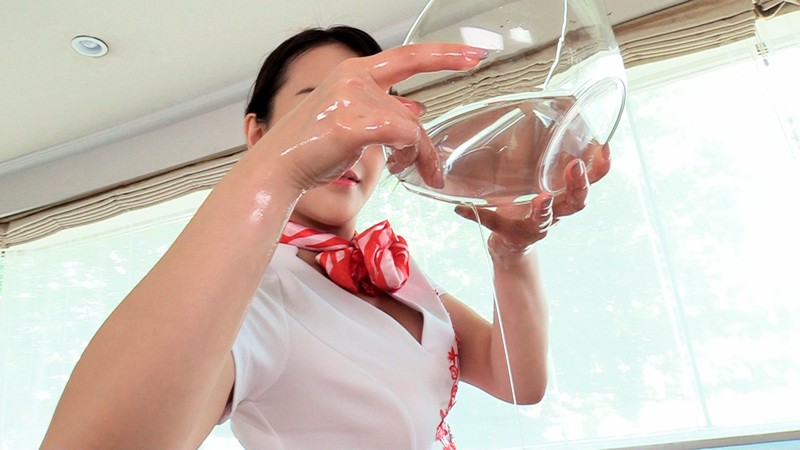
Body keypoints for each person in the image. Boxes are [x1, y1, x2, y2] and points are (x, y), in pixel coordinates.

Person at [41, 26, 610, 449]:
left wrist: (511, 252)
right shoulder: (251, 295)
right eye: (322, 108)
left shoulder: (398, 274)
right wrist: (279, 170)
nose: (352, 137)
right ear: (257, 133)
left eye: (372, 115)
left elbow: (518, 381)